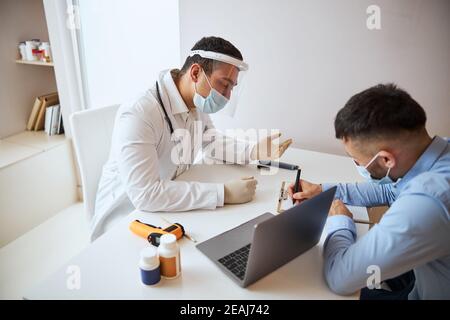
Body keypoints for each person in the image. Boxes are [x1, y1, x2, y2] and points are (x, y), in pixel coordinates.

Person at [92, 36, 292, 240]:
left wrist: (254, 151)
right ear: (196, 72)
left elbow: (211, 140)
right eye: (224, 84)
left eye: (232, 87)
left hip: (168, 207)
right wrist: (223, 193)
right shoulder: (140, 113)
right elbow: (146, 194)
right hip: (125, 219)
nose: (227, 96)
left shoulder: (195, 102)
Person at [288, 83, 450, 299]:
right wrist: (323, 191)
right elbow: (391, 192)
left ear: (385, 159)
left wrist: (341, 222)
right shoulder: (438, 155)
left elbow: (339, 278)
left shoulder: (428, 201)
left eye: (356, 159)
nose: (357, 164)